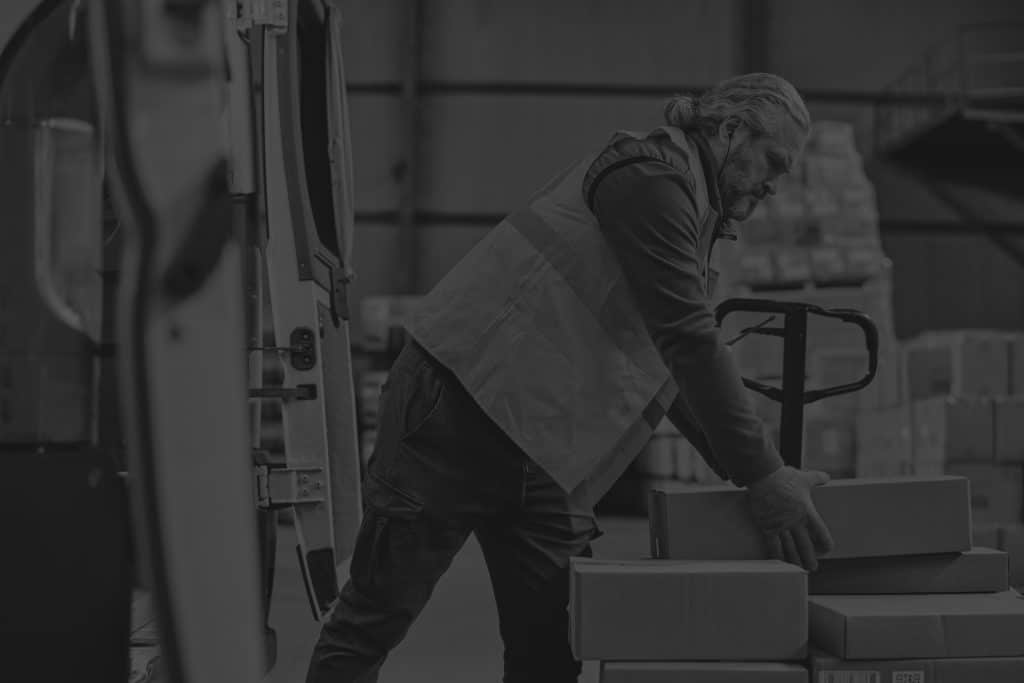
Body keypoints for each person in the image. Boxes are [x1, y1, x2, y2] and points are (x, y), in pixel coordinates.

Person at [306, 72, 835, 683]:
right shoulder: (649, 179)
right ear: (730, 129)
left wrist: (751, 469)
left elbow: (666, 362)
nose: (775, 184)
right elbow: (688, 338)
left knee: (552, 654)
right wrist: (762, 475)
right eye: (774, 162)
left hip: (545, 450)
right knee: (373, 620)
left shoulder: (695, 211)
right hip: (455, 411)